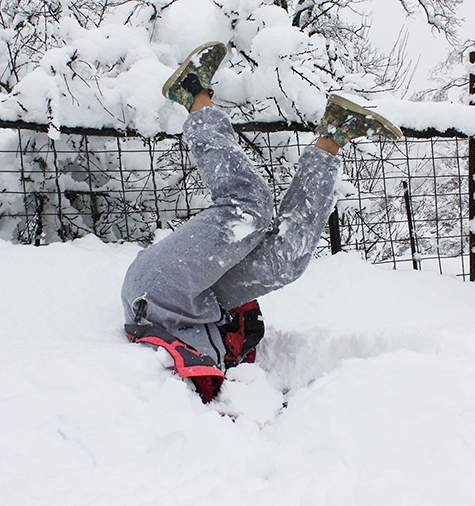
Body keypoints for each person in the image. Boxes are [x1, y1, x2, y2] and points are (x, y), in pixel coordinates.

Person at [122, 41, 401, 402]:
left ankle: (192, 93)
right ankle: (334, 135)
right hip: (201, 308)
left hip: (157, 292)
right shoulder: (220, 379)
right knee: (286, 261)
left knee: (248, 207)